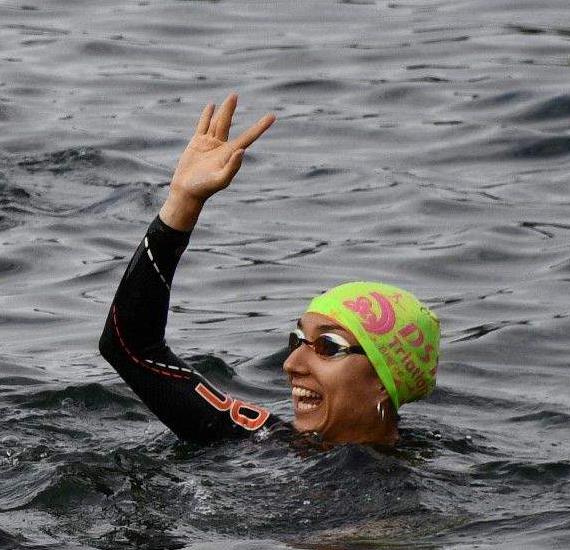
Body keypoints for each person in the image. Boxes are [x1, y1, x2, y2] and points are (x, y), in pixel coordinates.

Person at [99, 95, 439, 449]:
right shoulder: (259, 442)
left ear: (385, 380)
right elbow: (130, 347)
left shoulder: (415, 491)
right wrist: (183, 202)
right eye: (297, 340)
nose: (292, 363)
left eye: (327, 346)